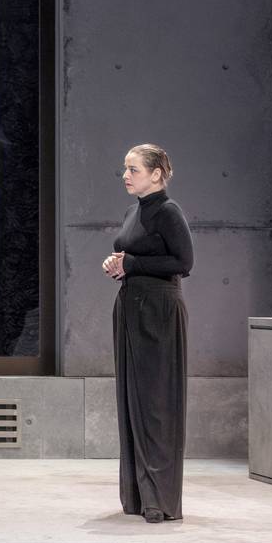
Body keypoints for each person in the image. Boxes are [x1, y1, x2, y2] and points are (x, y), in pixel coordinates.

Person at [102, 144, 193, 523]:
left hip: (158, 310)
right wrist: (116, 263)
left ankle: (161, 500)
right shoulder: (132, 212)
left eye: (134, 169)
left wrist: (133, 263)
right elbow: (133, 257)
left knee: (157, 404)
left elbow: (184, 262)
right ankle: (138, 495)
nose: (126, 175)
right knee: (133, 400)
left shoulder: (169, 212)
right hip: (131, 306)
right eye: (125, 169)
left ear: (156, 174)